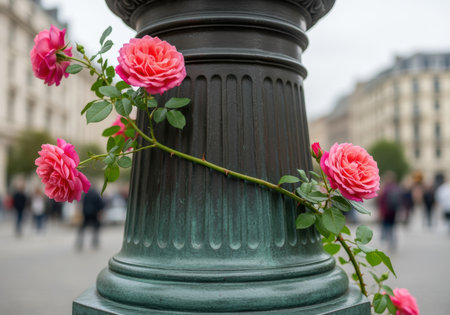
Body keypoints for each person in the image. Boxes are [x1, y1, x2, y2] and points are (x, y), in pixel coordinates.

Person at [378, 172, 402, 250]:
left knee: (386, 225)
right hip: (393, 211)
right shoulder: (396, 187)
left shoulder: (385, 188)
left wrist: (380, 212)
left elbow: (381, 200)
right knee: (392, 226)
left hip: (386, 211)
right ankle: (392, 241)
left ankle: (387, 239)